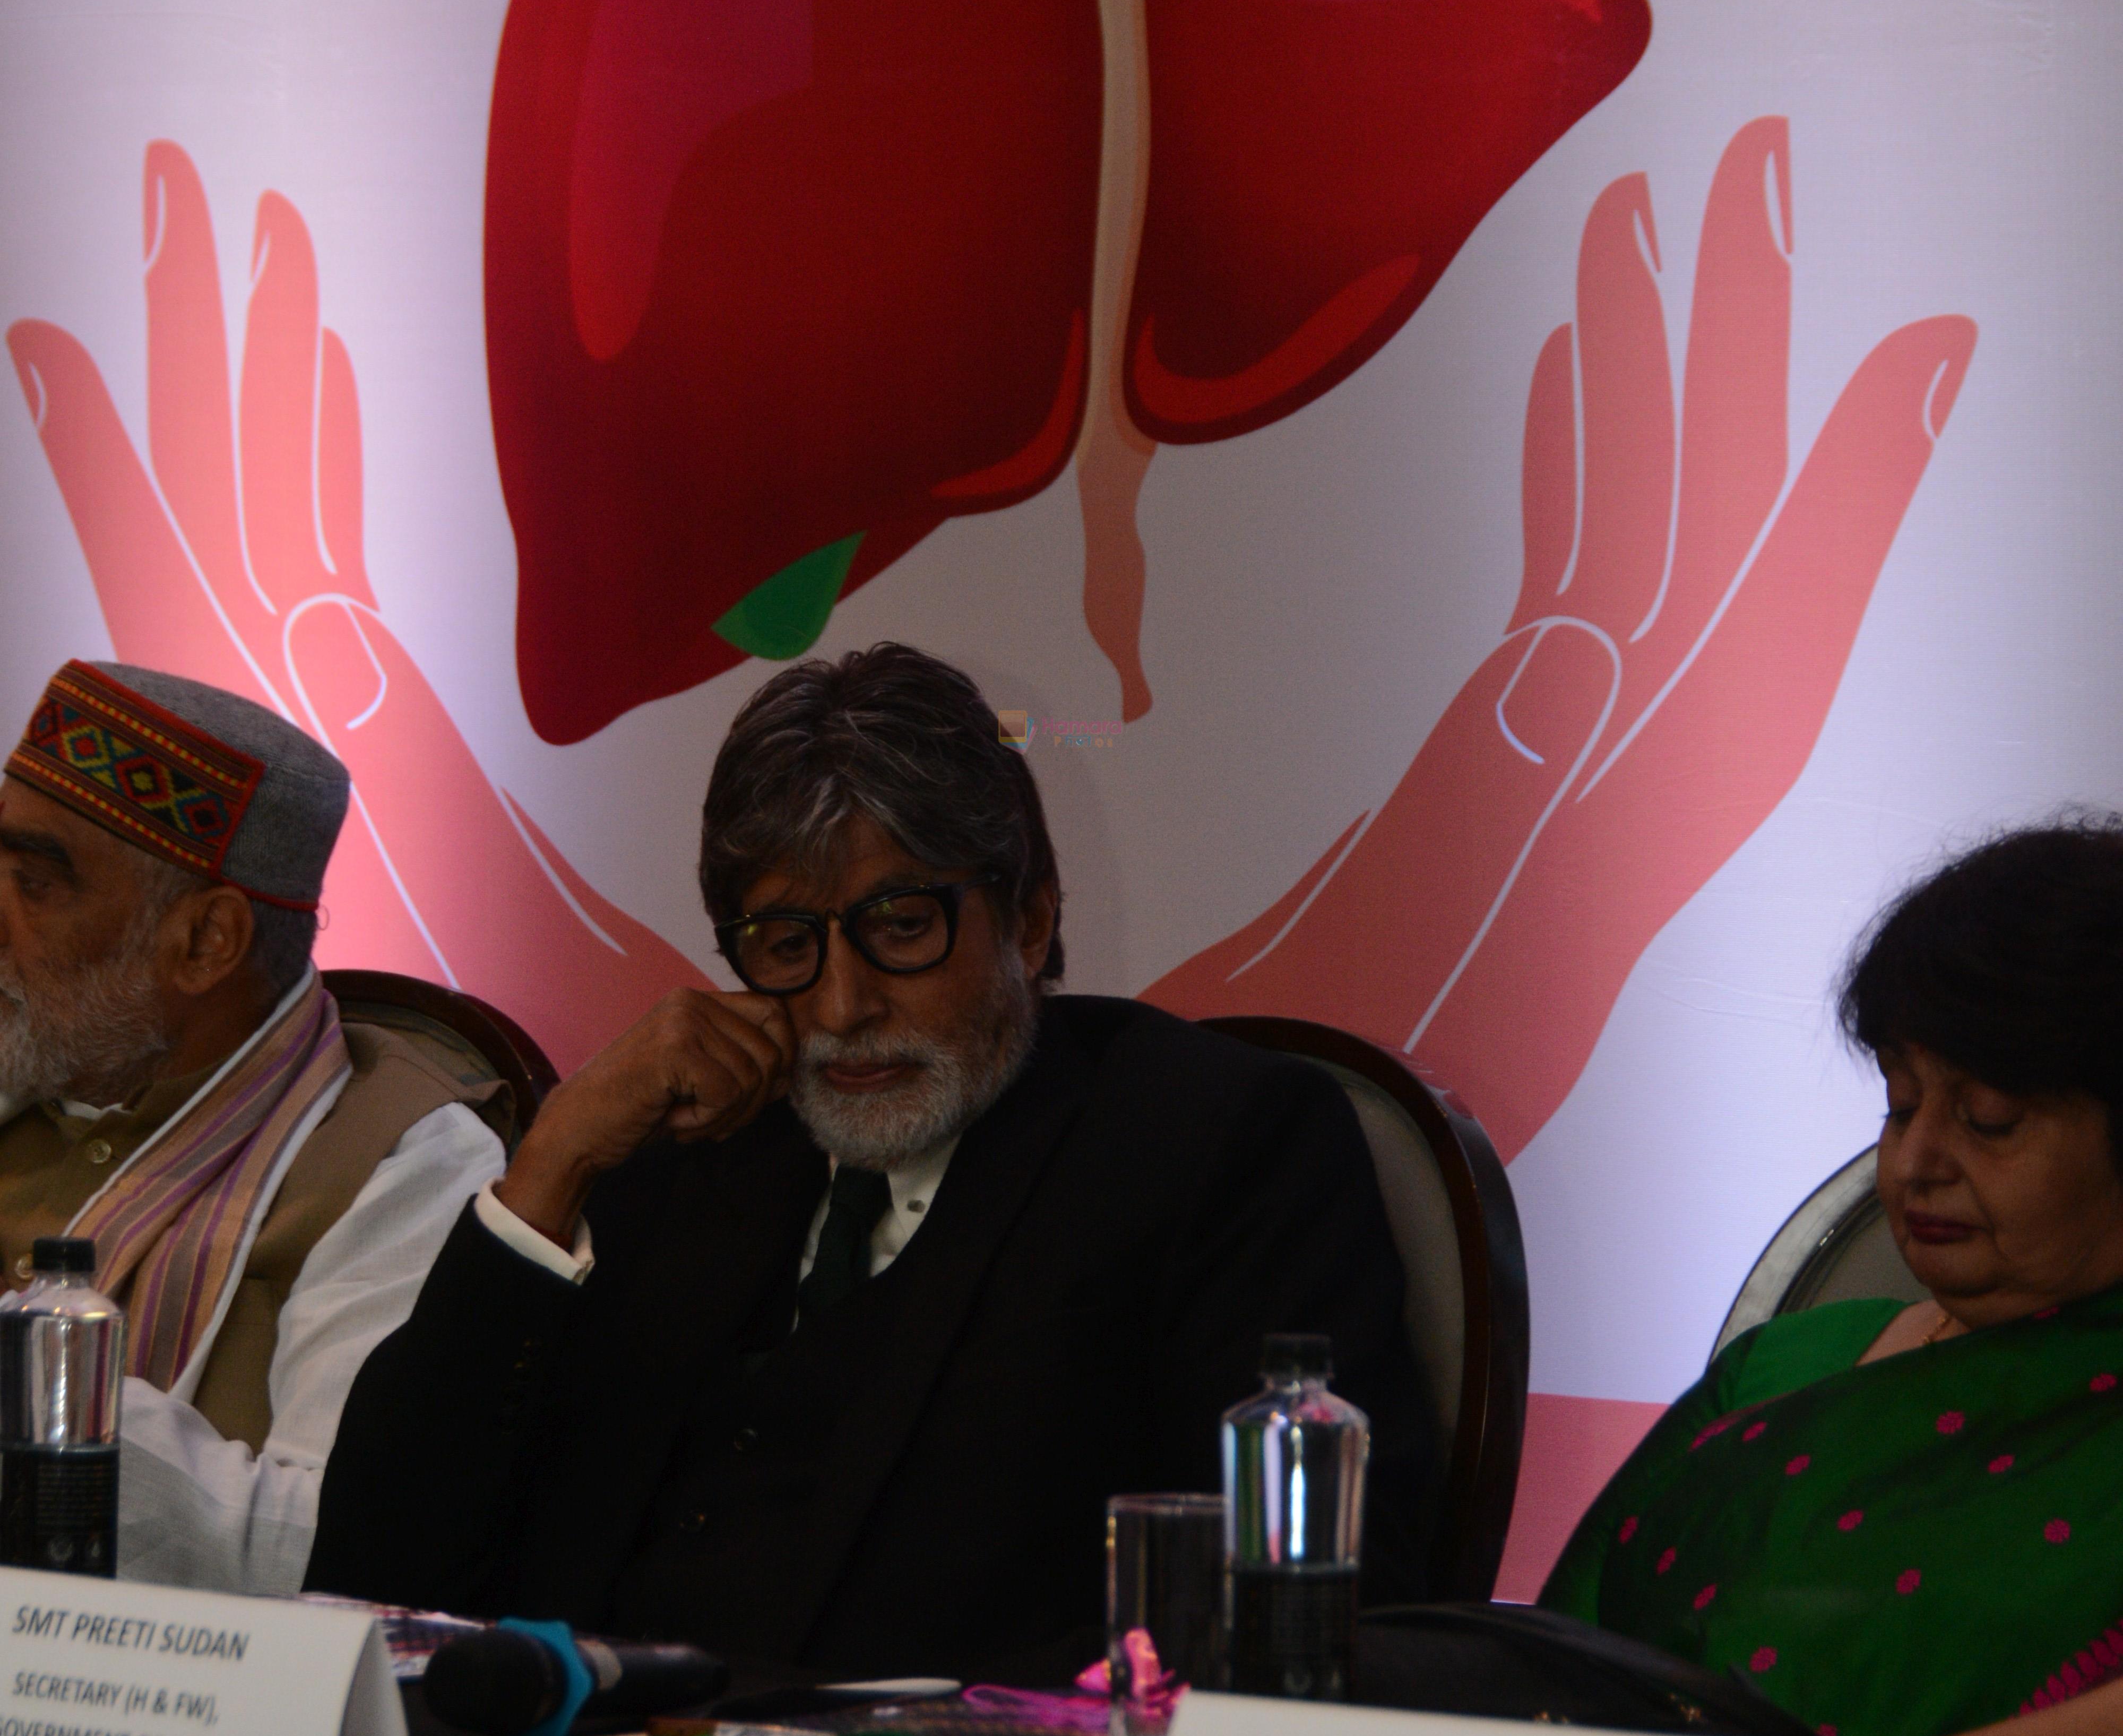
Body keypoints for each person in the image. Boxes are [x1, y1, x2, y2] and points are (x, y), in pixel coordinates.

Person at [308, 643, 1434, 1677]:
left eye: (901, 927)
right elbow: (379, 1573)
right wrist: (548, 1167)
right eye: (788, 945)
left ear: (1031, 921)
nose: (843, 1006)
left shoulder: (1212, 1146)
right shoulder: (681, 1150)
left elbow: (1297, 1610)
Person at [1543, 820, 2123, 1736]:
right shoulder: (1784, 1368)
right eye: (1900, 1105)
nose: (1916, 1164)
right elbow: (1555, 1661)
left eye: (1989, 1120)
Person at [0, 661, 506, 1594]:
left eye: (35, 885)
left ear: (205, 943)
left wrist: (30, 1390)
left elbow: (323, 1543)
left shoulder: (403, 1162)